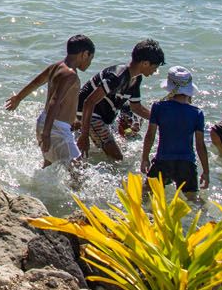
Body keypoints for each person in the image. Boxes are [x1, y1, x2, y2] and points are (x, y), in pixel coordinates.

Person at [6, 34, 96, 171]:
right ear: (84, 54)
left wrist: (18, 97)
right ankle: (76, 192)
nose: (89, 63)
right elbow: (55, 101)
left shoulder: (56, 66)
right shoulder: (71, 75)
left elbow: (36, 83)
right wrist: (46, 134)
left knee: (49, 165)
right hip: (55, 128)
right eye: (91, 58)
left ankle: (39, 190)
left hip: (45, 121)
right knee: (78, 168)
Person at [78, 39, 165, 160]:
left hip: (103, 116)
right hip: (88, 113)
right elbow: (89, 102)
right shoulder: (117, 76)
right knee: (117, 157)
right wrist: (84, 135)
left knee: (125, 138)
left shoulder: (136, 79)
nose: (155, 71)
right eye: (155, 67)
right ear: (145, 63)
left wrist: (160, 119)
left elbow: (136, 107)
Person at [141, 66, 209, 194]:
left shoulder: (159, 107)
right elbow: (200, 146)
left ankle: (149, 214)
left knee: (146, 194)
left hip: (163, 162)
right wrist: (206, 171)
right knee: (193, 201)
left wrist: (145, 158)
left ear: (169, 87)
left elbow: (150, 135)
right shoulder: (197, 113)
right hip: (187, 164)